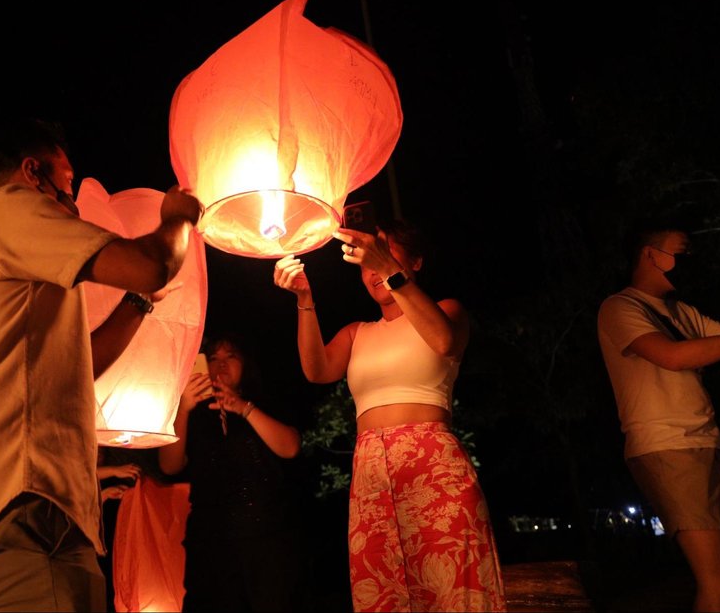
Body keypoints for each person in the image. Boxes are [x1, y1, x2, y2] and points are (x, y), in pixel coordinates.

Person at [0, 117, 202, 612]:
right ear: (33, 172)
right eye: (68, 182)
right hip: (11, 514)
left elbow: (80, 367)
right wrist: (178, 217)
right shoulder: (5, 210)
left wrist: (141, 302)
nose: (73, 201)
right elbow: (151, 263)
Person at [273, 217, 506, 613]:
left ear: (414, 263)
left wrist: (389, 270)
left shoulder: (447, 311)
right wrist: (303, 299)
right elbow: (316, 370)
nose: (373, 271)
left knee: (452, 586)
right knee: (385, 590)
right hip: (372, 476)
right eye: (367, 262)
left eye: (385, 256)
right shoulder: (357, 332)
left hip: (433, 465)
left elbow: (445, 342)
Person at [597, 217, 720, 612]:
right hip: (667, 447)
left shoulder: (683, 312)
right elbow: (672, 356)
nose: (690, 258)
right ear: (650, 254)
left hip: (708, 442)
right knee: (719, 581)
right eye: (681, 251)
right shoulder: (619, 307)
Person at [158, 332, 311, 612]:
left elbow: (290, 447)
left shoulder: (262, 401)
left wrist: (243, 408)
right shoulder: (190, 411)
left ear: (245, 363)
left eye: (231, 357)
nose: (221, 365)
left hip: (267, 535)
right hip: (211, 539)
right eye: (213, 358)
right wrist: (183, 409)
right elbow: (169, 465)